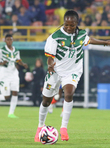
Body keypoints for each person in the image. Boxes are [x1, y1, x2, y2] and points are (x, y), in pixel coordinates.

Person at [34, 10, 110, 142]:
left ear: (76, 24)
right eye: (66, 25)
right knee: (46, 101)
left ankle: (64, 128)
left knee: (69, 94)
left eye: (72, 25)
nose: (69, 28)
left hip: (72, 71)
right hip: (56, 71)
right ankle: (40, 127)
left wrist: (105, 42)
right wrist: (50, 65)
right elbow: (50, 57)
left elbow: (89, 40)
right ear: (63, 23)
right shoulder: (54, 37)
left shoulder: (81, 34)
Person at [0, 34, 28, 118]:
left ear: (12, 40)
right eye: (7, 39)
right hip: (4, 75)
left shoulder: (16, 50)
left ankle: (11, 113)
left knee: (15, 92)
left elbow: (18, 60)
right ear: (5, 41)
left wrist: (23, 64)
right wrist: (1, 63)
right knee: (6, 96)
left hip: (14, 73)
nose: (9, 41)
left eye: (11, 39)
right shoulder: (1, 50)